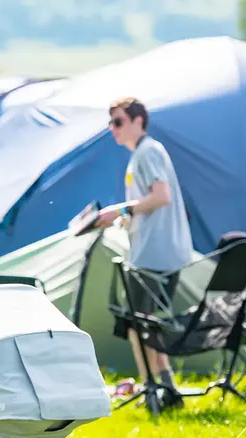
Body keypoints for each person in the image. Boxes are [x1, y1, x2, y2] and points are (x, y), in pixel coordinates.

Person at [95, 97, 193, 409]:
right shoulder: (141, 154)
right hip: (151, 252)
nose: (113, 128)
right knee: (145, 323)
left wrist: (120, 209)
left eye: (119, 121)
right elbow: (150, 203)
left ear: (139, 121)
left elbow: (161, 196)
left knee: (140, 324)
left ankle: (155, 390)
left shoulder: (148, 150)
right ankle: (164, 389)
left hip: (155, 255)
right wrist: (127, 217)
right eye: (111, 122)